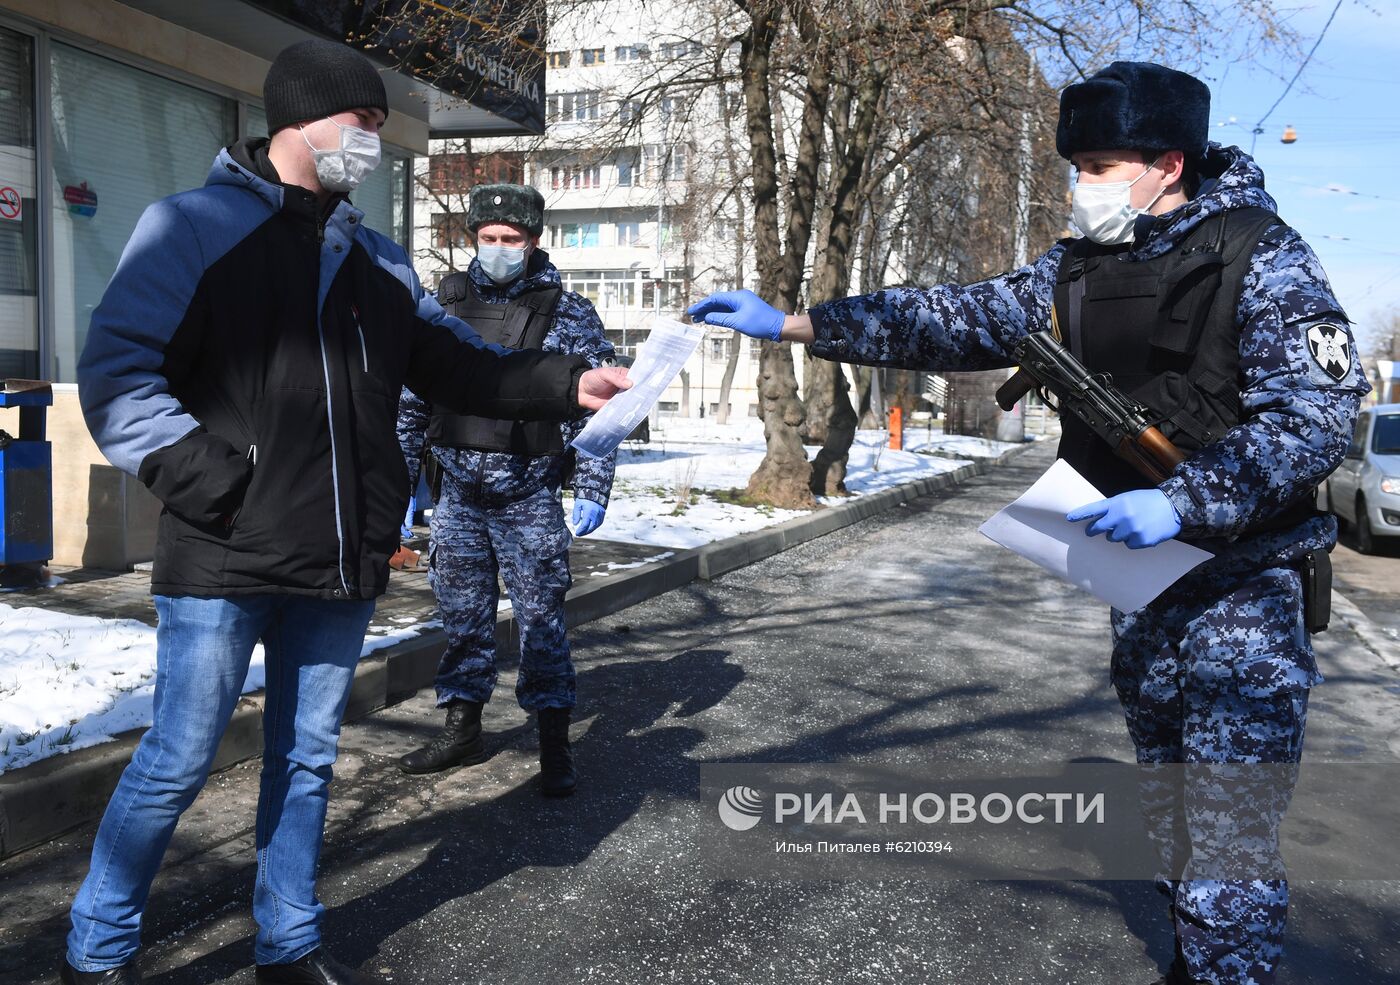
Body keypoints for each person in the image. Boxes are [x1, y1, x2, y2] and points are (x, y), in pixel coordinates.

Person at [690, 61, 1369, 985]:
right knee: (1169, 807)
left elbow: (1316, 415)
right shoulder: (1079, 268)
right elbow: (953, 318)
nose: (1080, 184)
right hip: (1145, 580)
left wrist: (1186, 496)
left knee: (1229, 837)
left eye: (1099, 164)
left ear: (1168, 162)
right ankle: (1196, 954)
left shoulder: (1262, 253)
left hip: (1242, 584)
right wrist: (800, 325)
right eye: (1077, 165)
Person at [67, 40, 628, 985]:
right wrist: (220, 486)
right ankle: (98, 947)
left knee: (308, 761)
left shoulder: (379, 260)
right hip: (223, 553)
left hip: (340, 561)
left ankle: (288, 942)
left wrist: (571, 383)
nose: (370, 141)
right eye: (360, 123)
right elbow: (120, 372)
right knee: (177, 758)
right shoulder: (193, 226)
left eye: (377, 126)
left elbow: (464, 367)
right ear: (299, 120)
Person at [395, 183, 617, 796]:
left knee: (541, 620)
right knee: (461, 616)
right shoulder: (441, 305)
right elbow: (411, 402)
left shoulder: (568, 312)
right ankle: (462, 728)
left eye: (510, 239)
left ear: (533, 241)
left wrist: (593, 481)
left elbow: (597, 409)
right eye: (487, 238)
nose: (497, 248)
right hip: (457, 496)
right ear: (472, 238)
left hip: (528, 494)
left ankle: (553, 742)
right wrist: (398, 485)